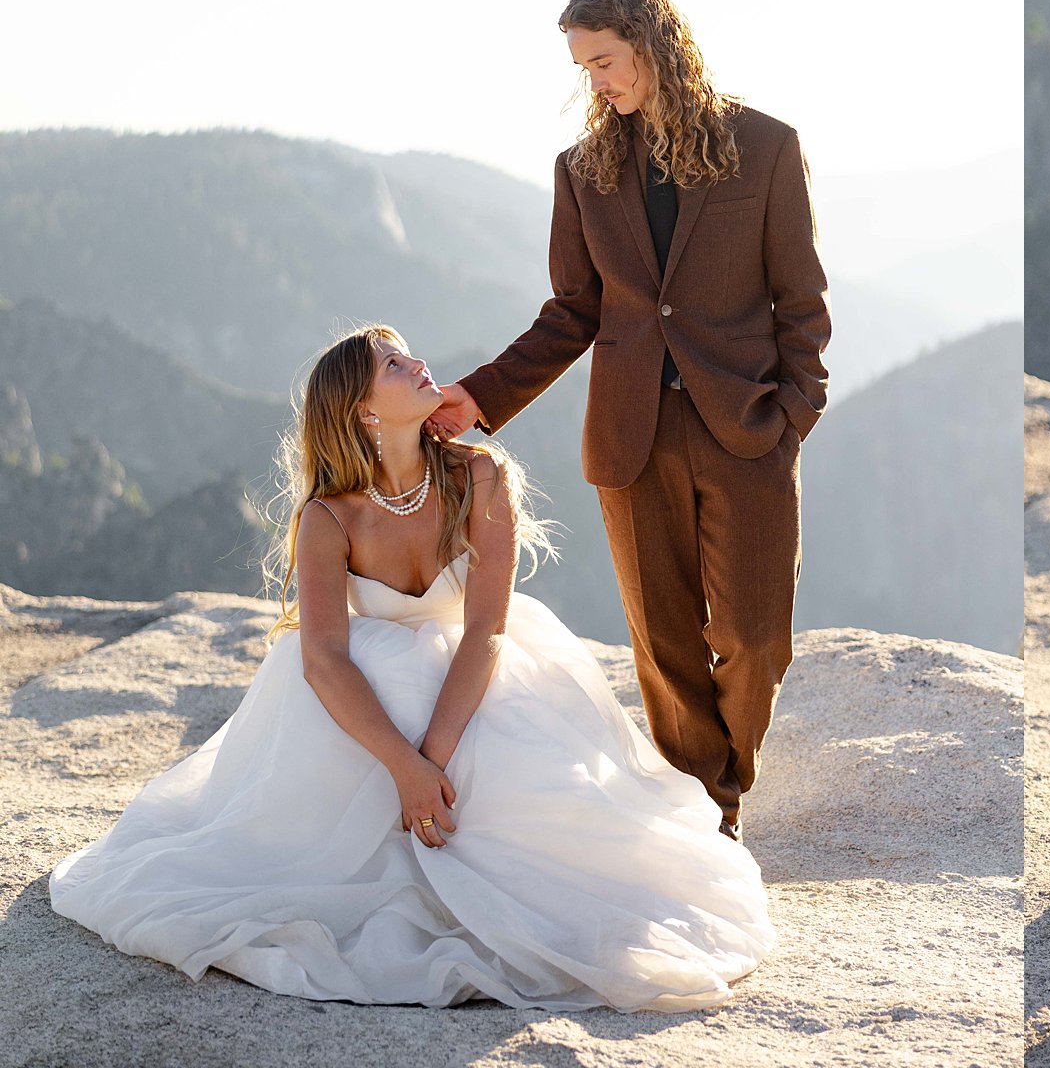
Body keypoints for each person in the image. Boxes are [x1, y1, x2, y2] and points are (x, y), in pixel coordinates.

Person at [50, 325, 774, 1009]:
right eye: (392, 365)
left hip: (471, 682)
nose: (417, 363)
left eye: (406, 354)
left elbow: (486, 628)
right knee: (381, 664)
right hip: (364, 712)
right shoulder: (329, 519)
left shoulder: (480, 477)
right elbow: (325, 660)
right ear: (364, 414)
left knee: (532, 803)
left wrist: (433, 760)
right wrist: (402, 767)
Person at [428, 0, 829, 844]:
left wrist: (797, 410)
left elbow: (802, 299)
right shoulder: (585, 172)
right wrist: (481, 395)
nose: (598, 82)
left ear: (652, 44)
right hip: (630, 437)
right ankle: (707, 813)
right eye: (586, 68)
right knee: (665, 645)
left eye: (605, 61)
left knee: (756, 639)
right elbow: (573, 311)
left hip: (746, 429)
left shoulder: (764, 147)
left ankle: (727, 775)